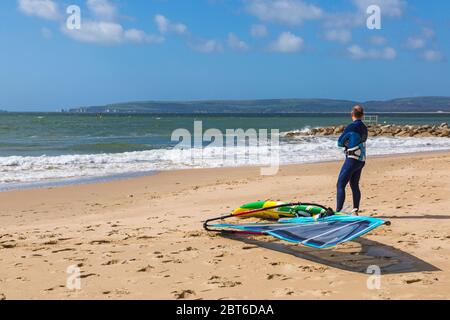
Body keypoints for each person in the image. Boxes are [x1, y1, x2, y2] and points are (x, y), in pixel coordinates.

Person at [336, 105, 368, 215]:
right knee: (354, 184)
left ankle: (338, 211)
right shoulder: (364, 127)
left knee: (340, 184)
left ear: (352, 115)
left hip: (352, 159)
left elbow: (340, 142)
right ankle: (355, 209)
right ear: (362, 115)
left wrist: (346, 143)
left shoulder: (351, 127)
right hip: (361, 160)